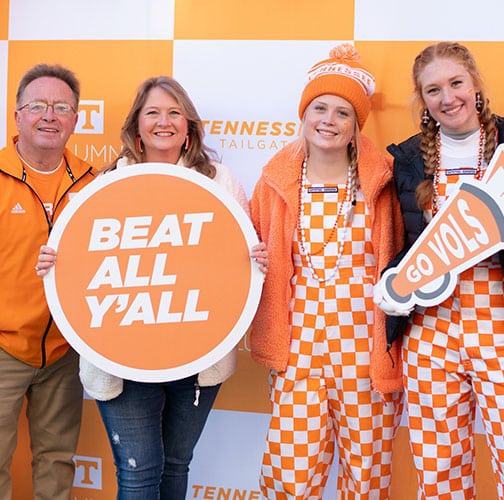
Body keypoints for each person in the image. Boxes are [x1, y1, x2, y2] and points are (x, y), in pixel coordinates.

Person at [36, 75, 268, 500]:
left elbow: (239, 258)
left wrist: (256, 261)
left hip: (198, 356)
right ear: (137, 127)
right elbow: (84, 261)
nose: (164, 122)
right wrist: (57, 262)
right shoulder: (106, 185)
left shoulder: (220, 182)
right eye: (153, 113)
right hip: (121, 359)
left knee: (176, 467)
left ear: (189, 126)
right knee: (138, 476)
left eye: (174, 112)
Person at [249, 43, 405, 499]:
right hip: (297, 352)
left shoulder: (385, 183)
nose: (329, 121)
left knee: (367, 475)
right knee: (291, 477)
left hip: (366, 351)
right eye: (320, 107)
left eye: (343, 113)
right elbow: (251, 254)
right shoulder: (274, 183)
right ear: (304, 113)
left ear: (357, 125)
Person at [374, 41, 504, 499]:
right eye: (433, 90)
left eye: (455, 83)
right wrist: (392, 282)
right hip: (429, 332)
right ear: (422, 99)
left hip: (499, 327)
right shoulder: (408, 159)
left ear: (475, 84)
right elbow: (407, 243)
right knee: (437, 466)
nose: (448, 98)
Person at [0, 64, 97, 499]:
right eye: (37, 105)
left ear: (76, 119)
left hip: (64, 351)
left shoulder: (95, 183)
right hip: (3, 346)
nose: (49, 115)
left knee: (57, 464)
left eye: (61, 107)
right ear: (16, 115)